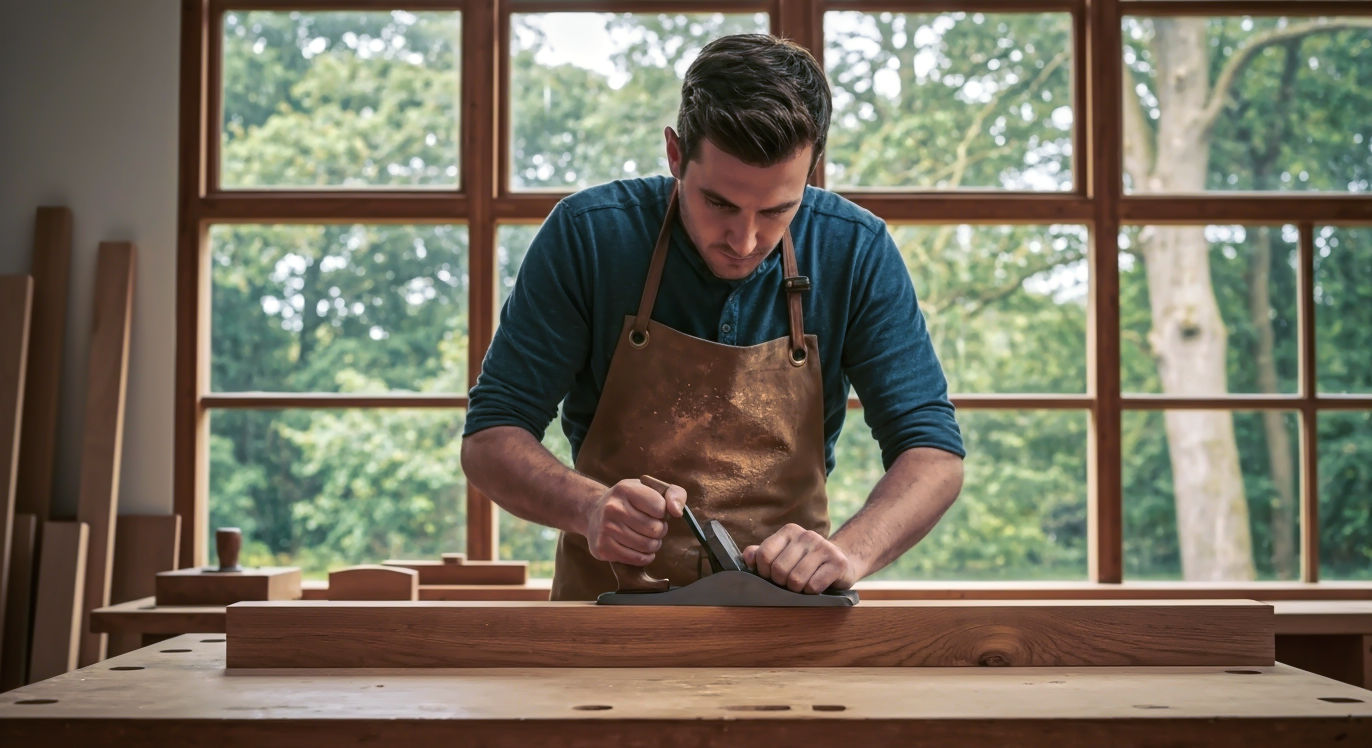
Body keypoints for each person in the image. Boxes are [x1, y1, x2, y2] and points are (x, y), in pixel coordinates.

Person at [461, 33, 964, 601]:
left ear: (812, 171)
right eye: (719, 204)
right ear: (675, 154)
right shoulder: (590, 235)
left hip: (791, 624)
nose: (745, 241)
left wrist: (849, 553)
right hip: (604, 623)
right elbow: (491, 437)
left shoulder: (855, 249)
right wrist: (590, 507)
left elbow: (933, 455)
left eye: (777, 209)